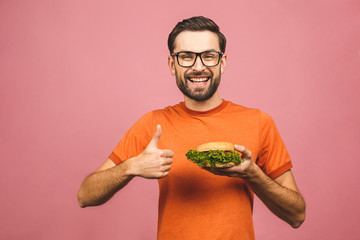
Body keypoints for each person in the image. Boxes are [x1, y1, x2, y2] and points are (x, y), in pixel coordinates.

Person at [77, 16, 306, 239]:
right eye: (186, 57)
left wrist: (252, 173)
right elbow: (85, 196)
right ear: (172, 64)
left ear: (222, 63)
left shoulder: (259, 122)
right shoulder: (152, 124)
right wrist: (130, 167)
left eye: (209, 56)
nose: (198, 66)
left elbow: (297, 215)